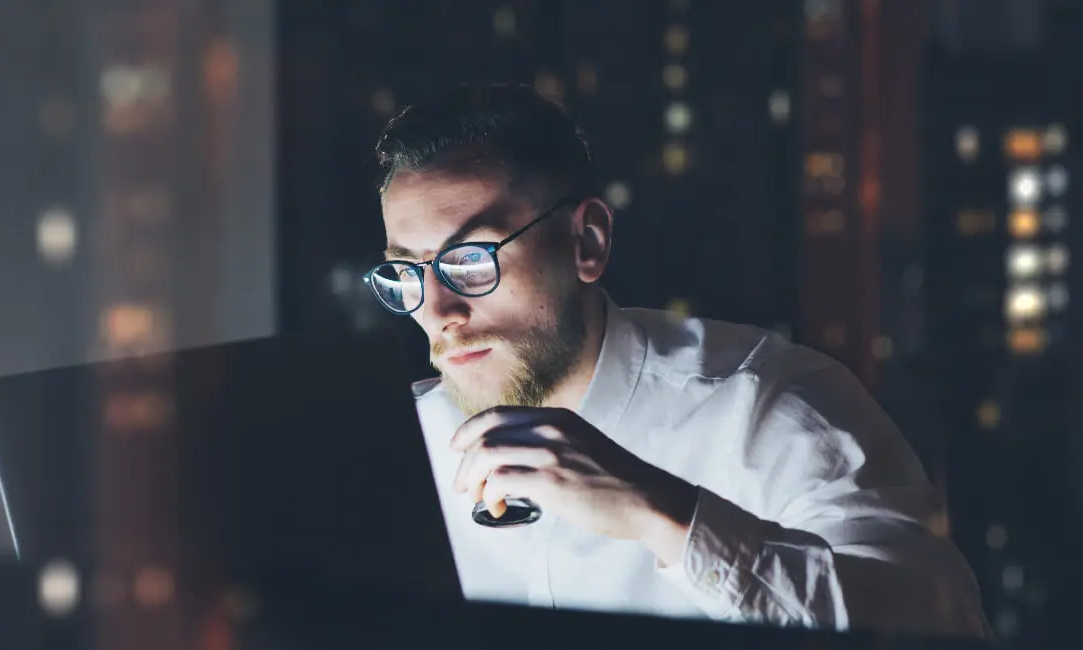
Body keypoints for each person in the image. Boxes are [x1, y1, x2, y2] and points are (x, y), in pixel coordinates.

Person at [362, 84, 991, 637]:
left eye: (471, 259)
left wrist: (661, 514)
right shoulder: (393, 448)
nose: (438, 309)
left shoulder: (765, 407)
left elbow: (944, 626)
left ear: (587, 241)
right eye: (406, 272)